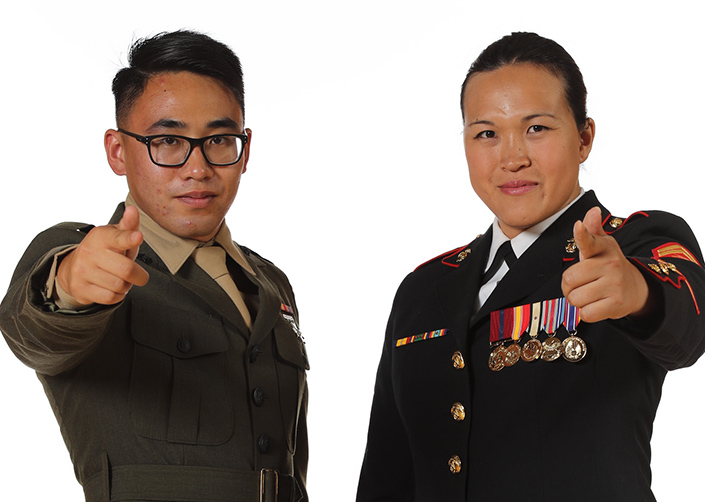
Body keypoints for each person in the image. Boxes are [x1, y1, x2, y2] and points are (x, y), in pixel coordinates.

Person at [356, 32, 705, 501]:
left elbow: (689, 329)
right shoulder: (423, 289)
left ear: (584, 138)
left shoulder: (634, 243)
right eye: (486, 134)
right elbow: (387, 474)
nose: (512, 158)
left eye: (536, 128)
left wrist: (638, 293)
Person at [0, 30, 308, 502]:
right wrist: (67, 289)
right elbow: (34, 333)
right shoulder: (78, 251)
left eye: (219, 140)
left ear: (245, 150)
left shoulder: (269, 281)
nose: (197, 167)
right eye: (167, 141)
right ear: (118, 151)